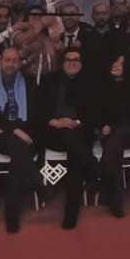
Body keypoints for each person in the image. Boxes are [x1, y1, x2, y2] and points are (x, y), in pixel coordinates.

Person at [37, 46, 95, 228]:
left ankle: (71, 212)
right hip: (53, 132)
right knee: (71, 140)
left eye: (76, 59)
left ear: (81, 63)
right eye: (68, 59)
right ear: (62, 63)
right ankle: (93, 166)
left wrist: (75, 122)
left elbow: (93, 113)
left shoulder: (89, 83)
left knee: (75, 156)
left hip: (79, 131)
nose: (72, 62)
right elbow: (39, 110)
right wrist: (56, 122)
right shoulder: (49, 80)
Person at [0, 44, 40, 233]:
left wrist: (17, 130)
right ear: (0, 62)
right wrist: (14, 129)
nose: (11, 64)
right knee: (19, 147)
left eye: (15, 60)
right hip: (1, 136)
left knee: (18, 156)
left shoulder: (30, 82)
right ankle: (36, 182)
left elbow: (35, 114)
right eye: (7, 60)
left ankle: (12, 215)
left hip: (24, 132)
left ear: (20, 63)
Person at [87, 50, 130, 218]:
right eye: (115, 61)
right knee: (113, 148)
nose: (116, 65)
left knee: (116, 137)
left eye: (121, 63)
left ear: (129, 67)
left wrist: (110, 126)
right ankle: (115, 201)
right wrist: (102, 126)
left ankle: (96, 174)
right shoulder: (104, 86)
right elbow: (97, 112)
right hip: (113, 134)